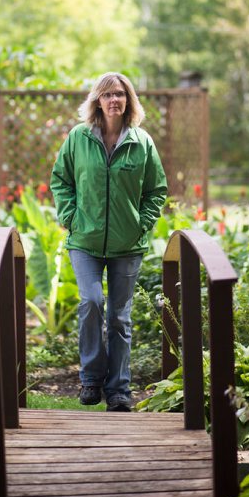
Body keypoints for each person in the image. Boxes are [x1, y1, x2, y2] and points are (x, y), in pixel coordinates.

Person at [50, 72, 167, 412]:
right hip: (84, 240)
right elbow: (61, 179)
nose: (114, 99)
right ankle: (90, 380)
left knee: (119, 317)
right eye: (107, 94)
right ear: (97, 101)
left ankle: (118, 390)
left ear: (128, 100)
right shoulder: (78, 138)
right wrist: (70, 216)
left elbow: (156, 190)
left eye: (120, 94)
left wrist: (140, 225)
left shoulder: (142, 142)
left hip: (126, 245)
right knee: (90, 301)